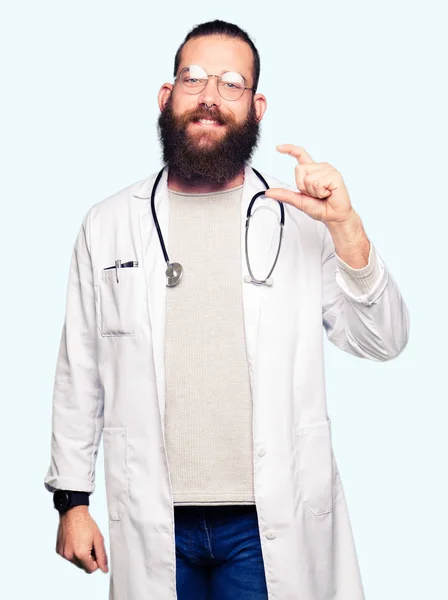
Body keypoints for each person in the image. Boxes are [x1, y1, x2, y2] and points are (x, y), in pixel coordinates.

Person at [44, 19, 410, 600]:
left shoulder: (300, 221)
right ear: (166, 98)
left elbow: (384, 338)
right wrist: (72, 501)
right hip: (155, 517)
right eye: (193, 79)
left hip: (265, 524)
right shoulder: (108, 223)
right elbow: (79, 369)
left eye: (232, 83)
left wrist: (347, 227)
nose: (210, 96)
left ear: (257, 108)